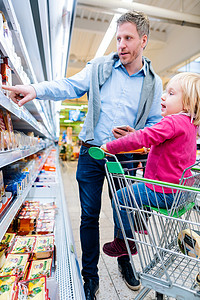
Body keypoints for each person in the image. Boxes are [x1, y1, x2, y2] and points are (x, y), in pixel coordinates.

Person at [2, 11, 163, 300]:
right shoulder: (100, 67)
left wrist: (135, 138)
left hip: (124, 157)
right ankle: (90, 276)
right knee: (89, 215)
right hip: (91, 152)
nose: (121, 44)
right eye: (118, 38)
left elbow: (154, 125)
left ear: (143, 41)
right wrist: (35, 90)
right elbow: (69, 85)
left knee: (122, 211)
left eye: (128, 38)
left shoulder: (154, 82)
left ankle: (124, 261)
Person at [100, 72, 200, 259]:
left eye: (171, 93)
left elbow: (143, 136)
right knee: (137, 191)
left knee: (121, 198)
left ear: (186, 103)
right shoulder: (189, 125)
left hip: (164, 191)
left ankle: (124, 241)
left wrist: (110, 147)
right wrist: (147, 149)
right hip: (181, 191)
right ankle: (140, 224)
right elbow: (170, 149)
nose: (163, 96)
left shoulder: (172, 121)